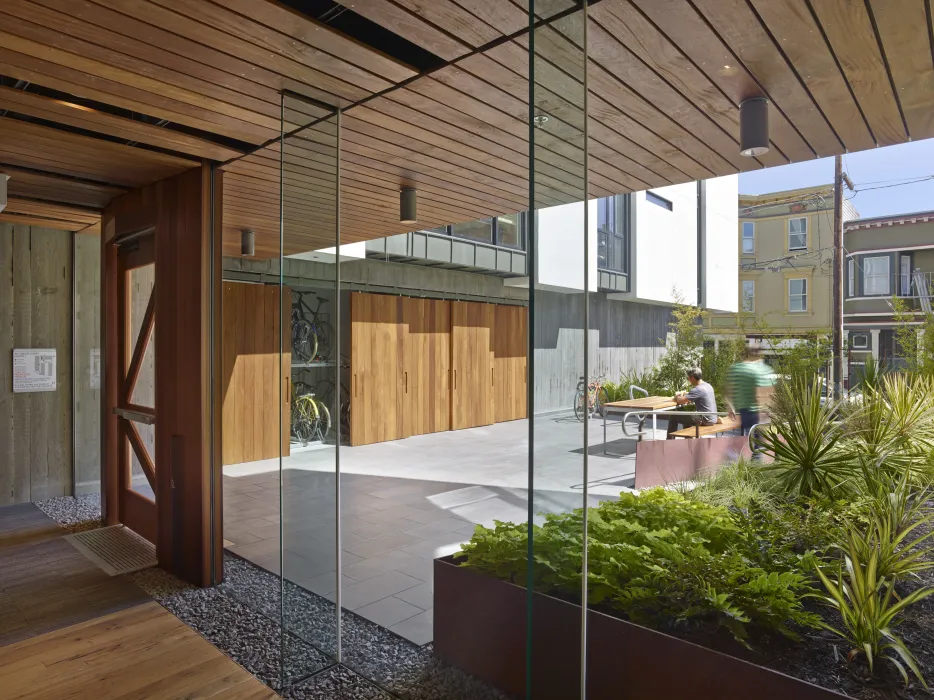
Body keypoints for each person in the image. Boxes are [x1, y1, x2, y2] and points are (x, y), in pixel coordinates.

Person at [726, 347, 775, 436]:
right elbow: (766, 393)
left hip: (741, 413)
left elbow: (729, 390)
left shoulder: (736, 369)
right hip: (759, 413)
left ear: (747, 354)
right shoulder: (764, 370)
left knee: (744, 442)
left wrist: (730, 406)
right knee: (757, 443)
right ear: (760, 355)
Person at [666, 367, 718, 439]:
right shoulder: (708, 386)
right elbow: (696, 396)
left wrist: (676, 397)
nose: (689, 380)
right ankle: (689, 442)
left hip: (705, 420)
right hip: (713, 418)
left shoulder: (698, 389)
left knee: (673, 415)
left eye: (688, 378)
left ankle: (669, 442)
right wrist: (687, 394)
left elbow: (680, 401)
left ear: (692, 378)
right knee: (687, 417)